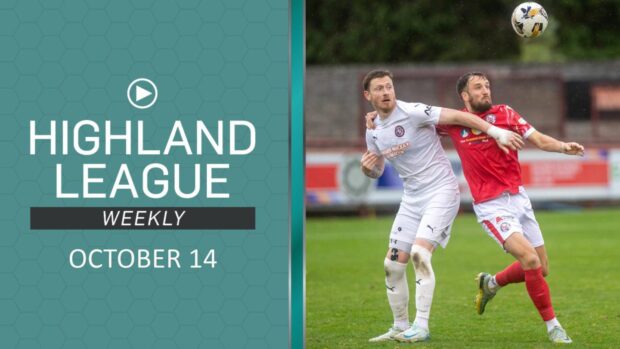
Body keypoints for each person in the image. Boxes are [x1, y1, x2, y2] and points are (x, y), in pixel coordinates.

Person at [367, 71, 583, 344]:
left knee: (542, 268)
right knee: (530, 260)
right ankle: (554, 327)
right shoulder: (454, 124)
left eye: (487, 86)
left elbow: (538, 139)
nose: (485, 91)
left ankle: (492, 283)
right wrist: (379, 116)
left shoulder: (506, 113)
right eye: (478, 87)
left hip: (519, 198)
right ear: (465, 96)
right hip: (491, 205)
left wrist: (564, 147)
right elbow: (411, 123)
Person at [360, 69, 523, 343]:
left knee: (420, 255)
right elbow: (376, 170)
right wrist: (368, 171)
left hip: (441, 192)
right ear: (368, 96)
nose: (386, 92)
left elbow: (459, 116)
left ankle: (421, 326)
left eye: (389, 86)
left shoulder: (413, 112)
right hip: (411, 199)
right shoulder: (373, 131)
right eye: (379, 89)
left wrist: (495, 132)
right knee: (391, 265)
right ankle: (399, 326)